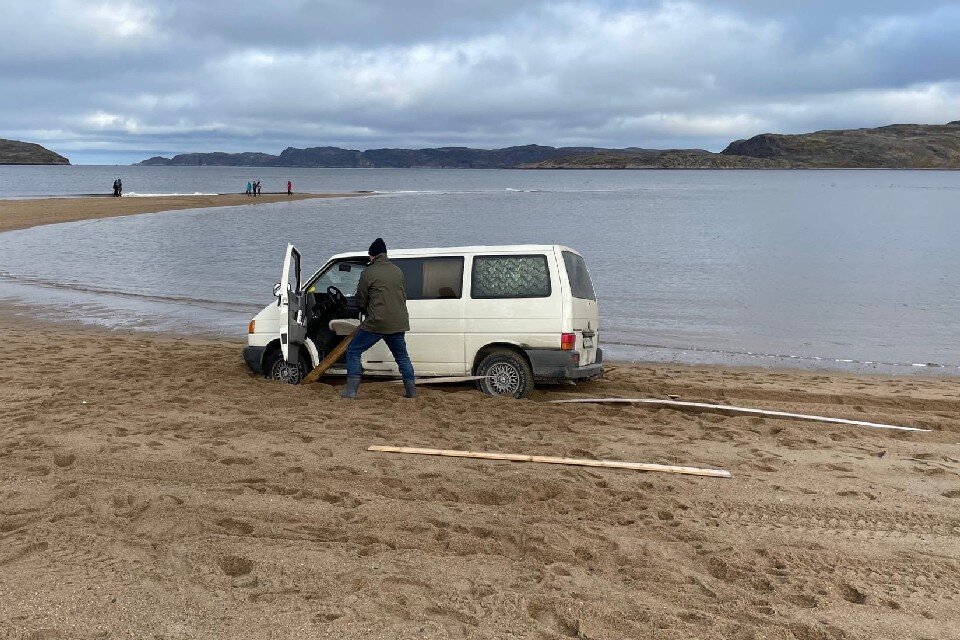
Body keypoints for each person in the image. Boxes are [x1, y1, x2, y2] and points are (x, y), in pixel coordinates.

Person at [341, 238, 416, 399]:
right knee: (402, 357)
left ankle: (351, 391)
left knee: (353, 351)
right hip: (398, 322)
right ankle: (411, 392)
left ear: (372, 256)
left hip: (377, 322)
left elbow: (361, 298)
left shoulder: (368, 272)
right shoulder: (398, 271)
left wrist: (364, 310)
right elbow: (402, 296)